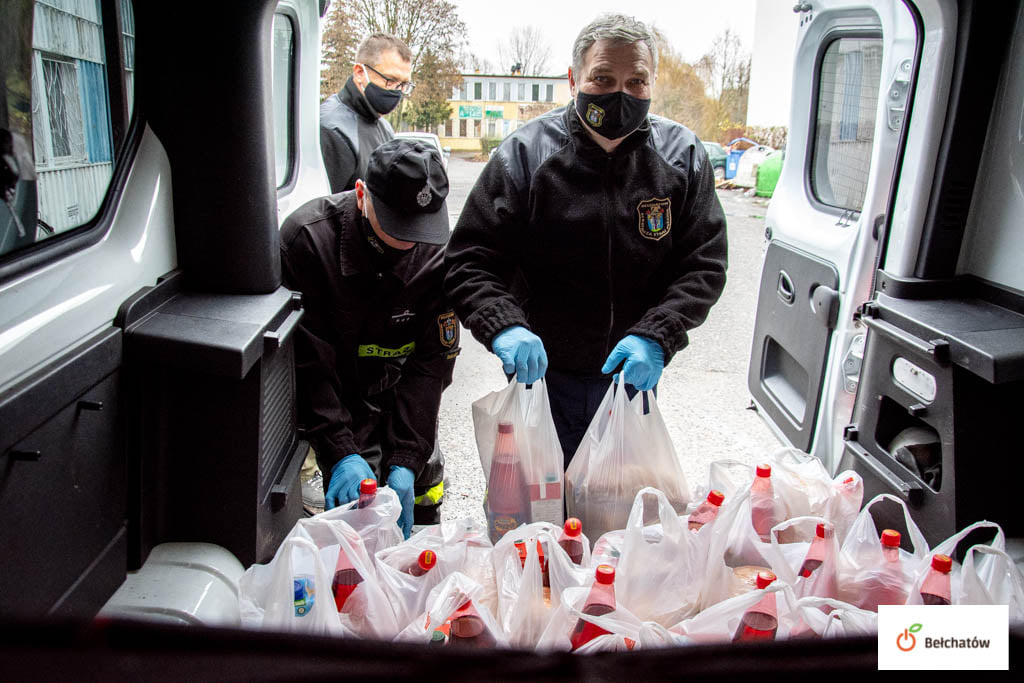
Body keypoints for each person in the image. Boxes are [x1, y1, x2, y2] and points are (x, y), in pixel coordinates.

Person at [443, 13, 728, 467]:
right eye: (603, 77)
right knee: (537, 513)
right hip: (542, 379)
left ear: (653, 83)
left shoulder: (683, 157)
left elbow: (704, 265)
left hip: (632, 377)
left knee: (615, 511)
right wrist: (505, 324)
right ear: (574, 78)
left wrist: (658, 335)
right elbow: (469, 261)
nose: (621, 93)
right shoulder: (525, 155)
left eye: (637, 80)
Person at [281, 139, 458, 536]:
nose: (408, 242)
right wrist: (340, 451)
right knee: (353, 515)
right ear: (361, 194)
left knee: (419, 481)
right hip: (333, 390)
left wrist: (408, 456)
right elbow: (307, 366)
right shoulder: (307, 242)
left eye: (419, 228)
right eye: (396, 225)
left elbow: (431, 365)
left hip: (396, 387)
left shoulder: (438, 253)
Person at [320, 33, 415, 194]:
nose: (396, 91)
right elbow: (321, 211)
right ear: (359, 72)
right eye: (390, 80)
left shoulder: (383, 127)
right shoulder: (332, 129)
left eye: (403, 84)